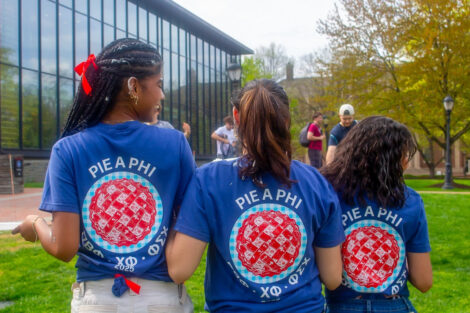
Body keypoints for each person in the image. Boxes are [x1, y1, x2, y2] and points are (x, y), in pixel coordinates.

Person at [11, 38, 195, 313]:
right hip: (162, 298)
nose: (162, 95)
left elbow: (64, 247)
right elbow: (188, 224)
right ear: (134, 86)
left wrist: (35, 223)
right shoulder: (175, 143)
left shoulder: (67, 150)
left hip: (95, 301)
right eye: (159, 85)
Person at [165, 79, 345, 313]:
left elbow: (180, 270)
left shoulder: (209, 179)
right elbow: (332, 278)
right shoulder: (316, 183)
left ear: (235, 116)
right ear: (287, 120)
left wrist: (169, 219)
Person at [321, 116, 432, 313]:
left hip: (341, 305)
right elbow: (423, 281)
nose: (407, 160)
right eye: (404, 154)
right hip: (394, 305)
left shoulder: (330, 194)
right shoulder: (411, 201)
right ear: (394, 159)